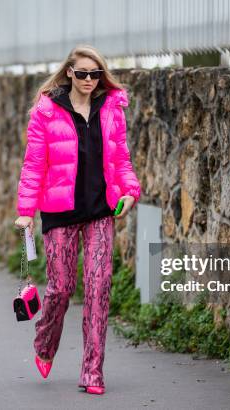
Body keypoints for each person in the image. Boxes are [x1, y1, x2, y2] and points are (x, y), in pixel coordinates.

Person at [14, 45, 141, 395]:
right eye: (83, 73)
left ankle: (92, 371)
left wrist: (130, 189)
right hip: (60, 213)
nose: (89, 80)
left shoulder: (112, 109)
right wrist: (26, 212)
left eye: (95, 74)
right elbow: (33, 164)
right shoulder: (47, 111)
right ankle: (45, 341)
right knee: (61, 289)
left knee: (99, 288)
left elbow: (122, 159)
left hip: (101, 211)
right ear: (69, 72)